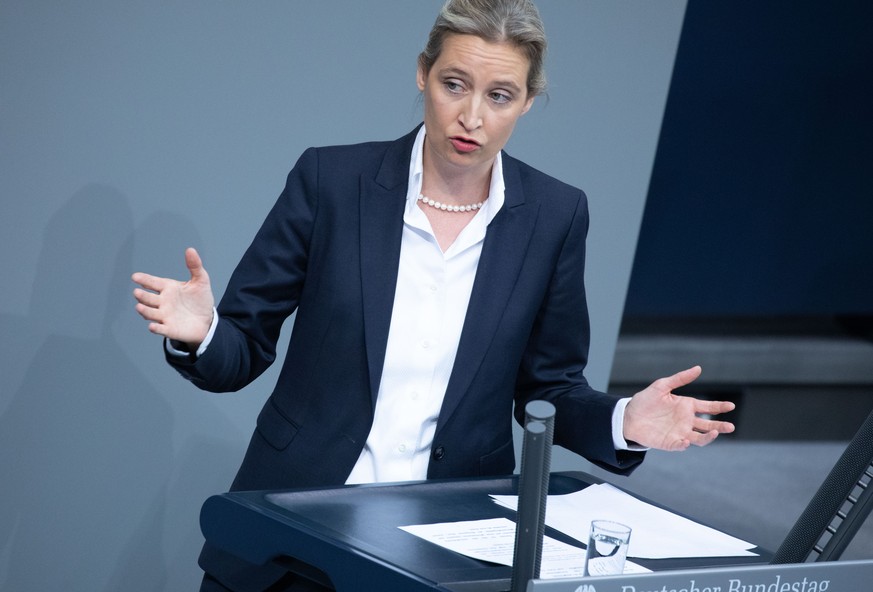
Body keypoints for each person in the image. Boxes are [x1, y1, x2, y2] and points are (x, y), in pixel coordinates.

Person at [132, 1, 735, 590]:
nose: (471, 115)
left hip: (445, 546)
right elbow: (241, 347)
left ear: (526, 103)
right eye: (454, 83)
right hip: (294, 530)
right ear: (422, 73)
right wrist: (204, 334)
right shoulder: (332, 182)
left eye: (499, 96)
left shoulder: (554, 215)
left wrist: (623, 419)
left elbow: (547, 388)